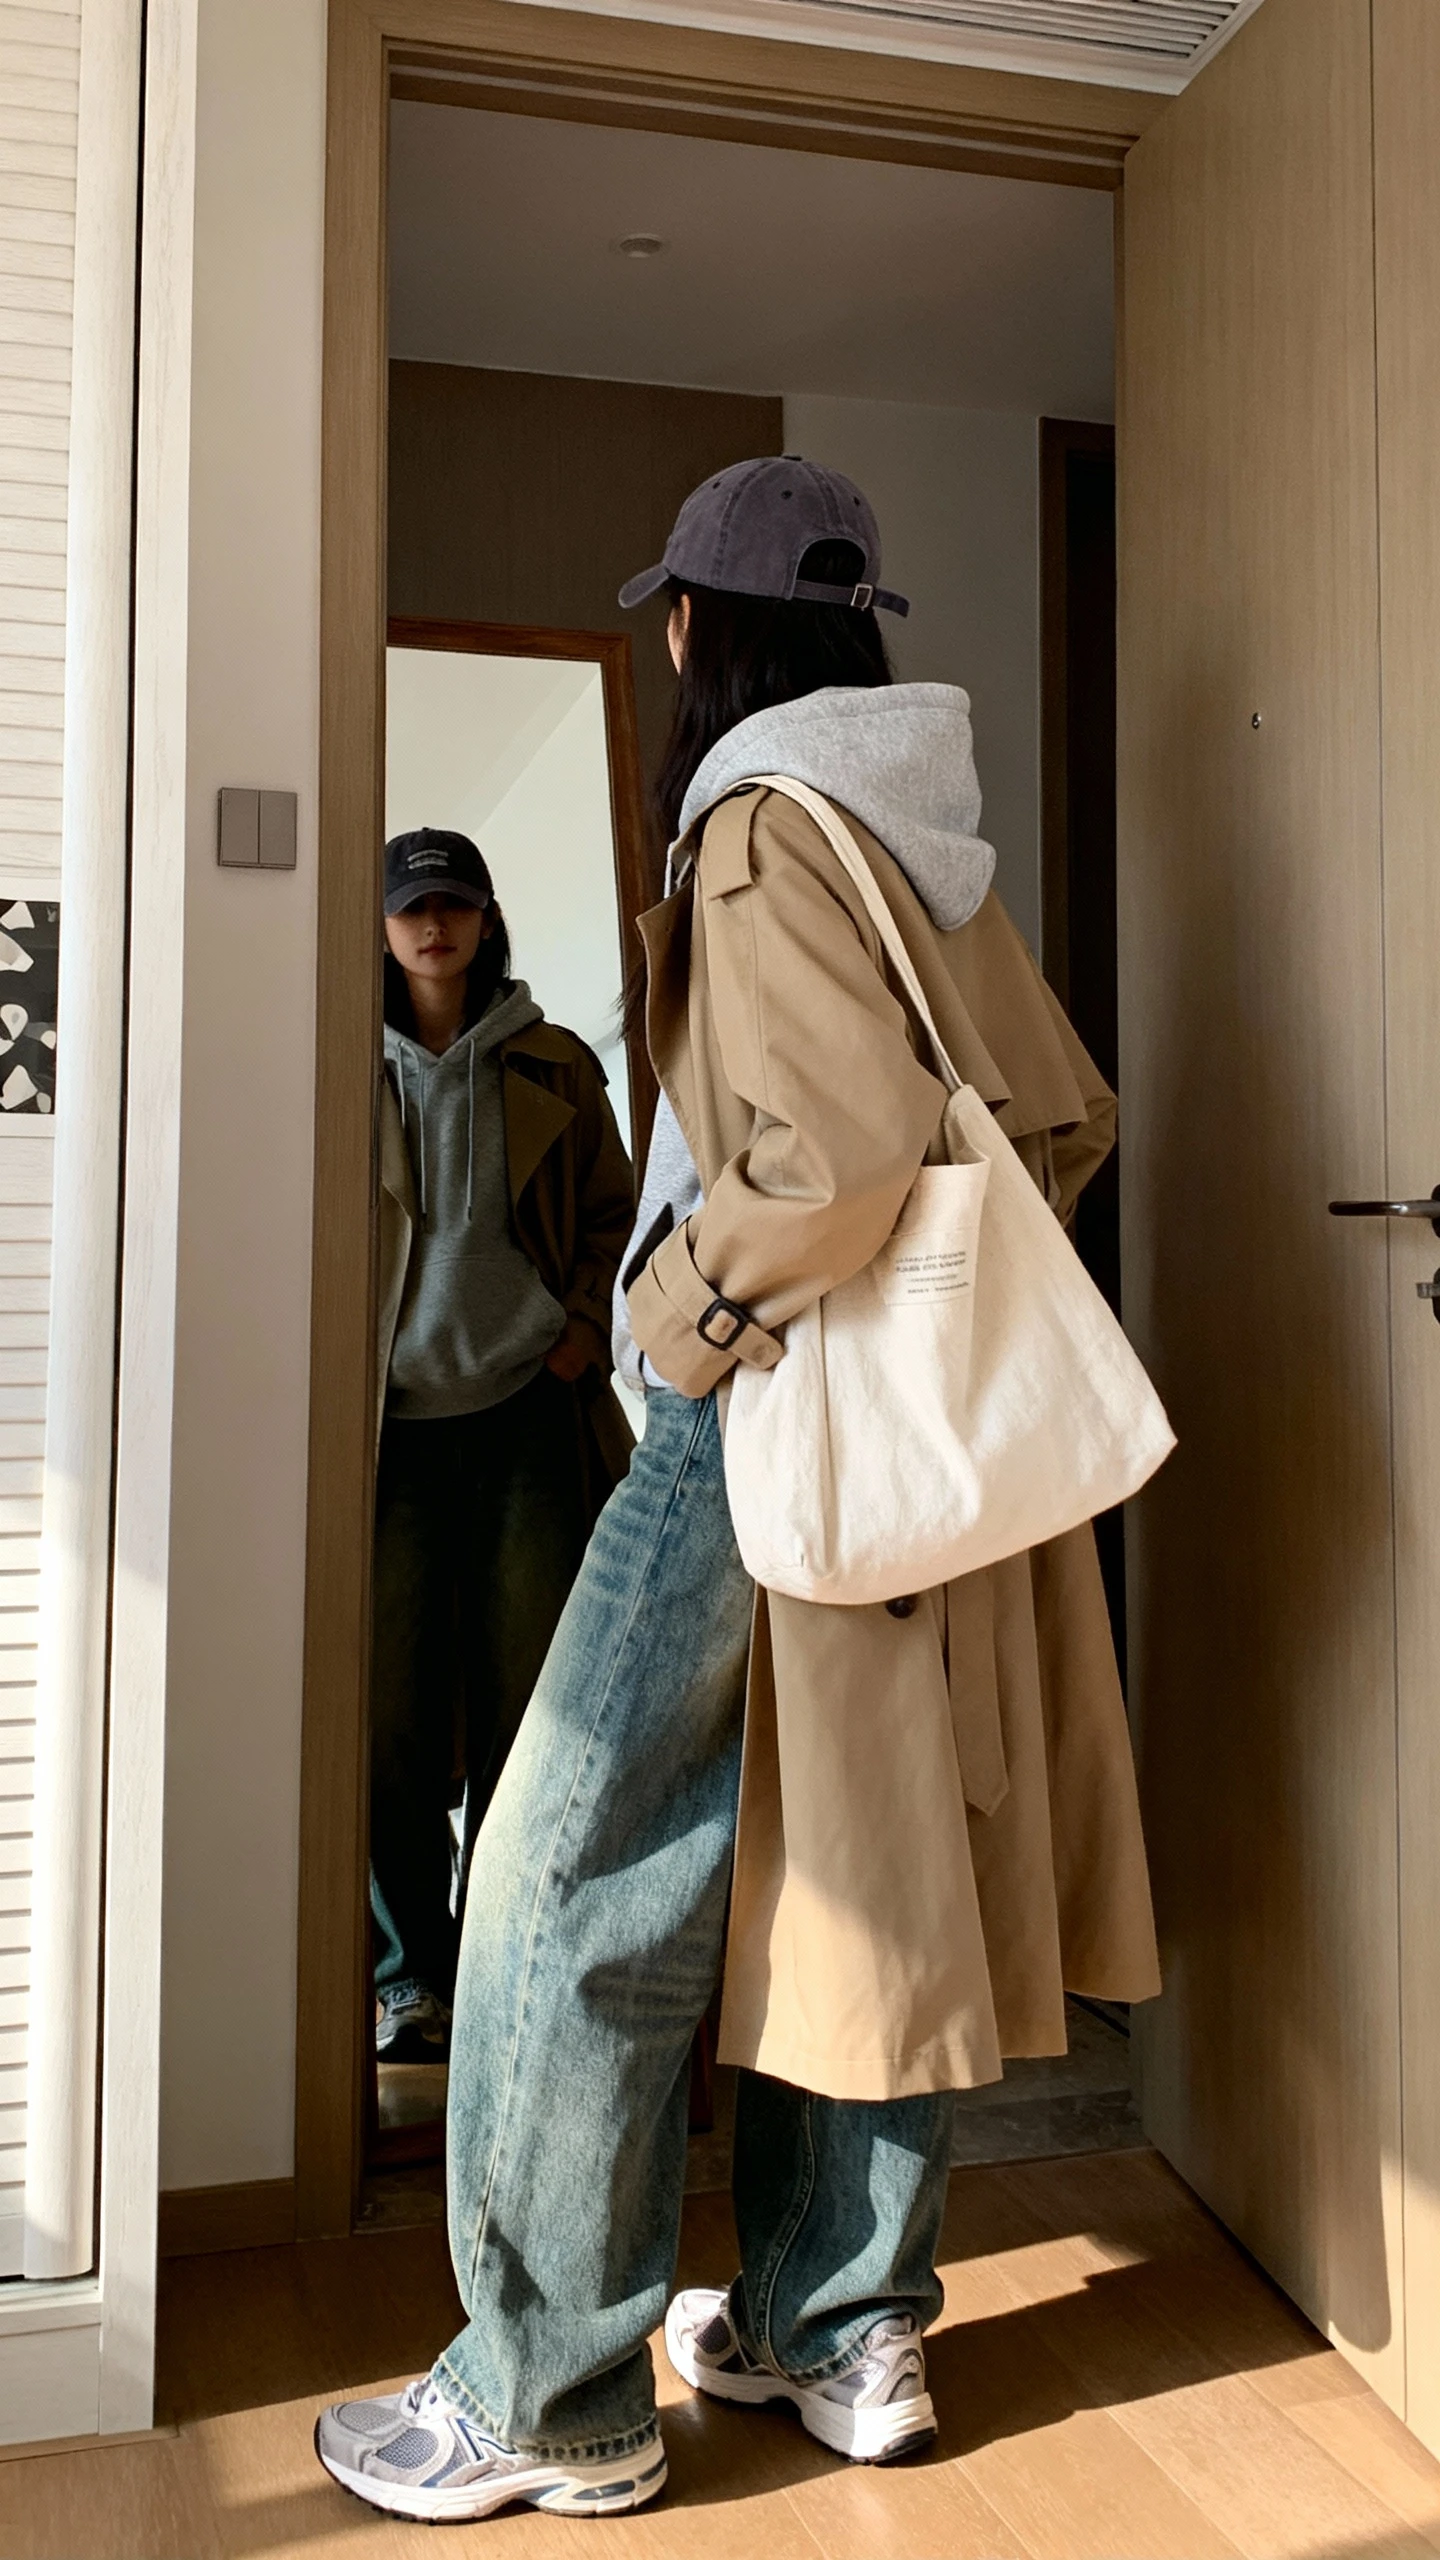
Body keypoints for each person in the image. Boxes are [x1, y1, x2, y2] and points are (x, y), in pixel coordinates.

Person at [319, 461, 1160, 2522]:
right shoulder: (931, 838)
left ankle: (548, 2388)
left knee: (564, 1862)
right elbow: (1064, 1114)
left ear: (697, 628)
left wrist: (679, 1314)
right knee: (857, 1854)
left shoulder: (765, 822)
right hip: (922, 1437)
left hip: (758, 1407)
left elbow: (836, 1153)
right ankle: (829, 2318)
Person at [369, 825, 634, 2065]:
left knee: (535, 1710)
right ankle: (407, 1974)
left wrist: (580, 1329)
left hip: (531, 1419)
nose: (435, 927)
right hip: (388, 1442)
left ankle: (500, 1959)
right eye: (414, 907)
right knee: (391, 1715)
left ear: (486, 919)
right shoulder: (337, 1065)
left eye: (455, 905)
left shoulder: (557, 1065)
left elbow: (615, 1216)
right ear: (380, 925)